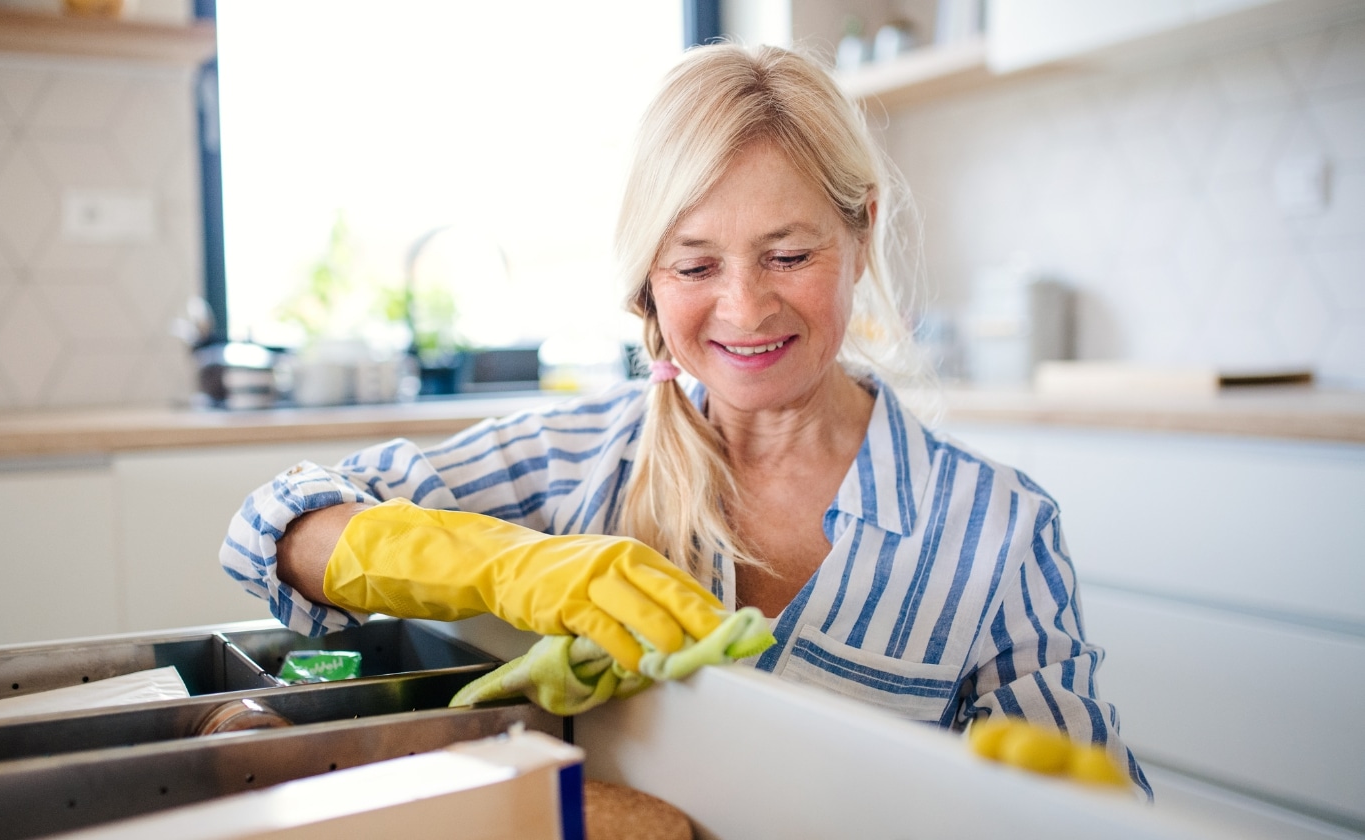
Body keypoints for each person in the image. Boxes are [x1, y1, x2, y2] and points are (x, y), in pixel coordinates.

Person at [222, 43, 1150, 795]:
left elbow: (1090, 800)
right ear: (648, 282)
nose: (745, 310)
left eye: (787, 254)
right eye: (696, 267)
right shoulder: (576, 461)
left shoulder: (998, 532)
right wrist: (510, 566)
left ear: (861, 234)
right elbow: (276, 525)